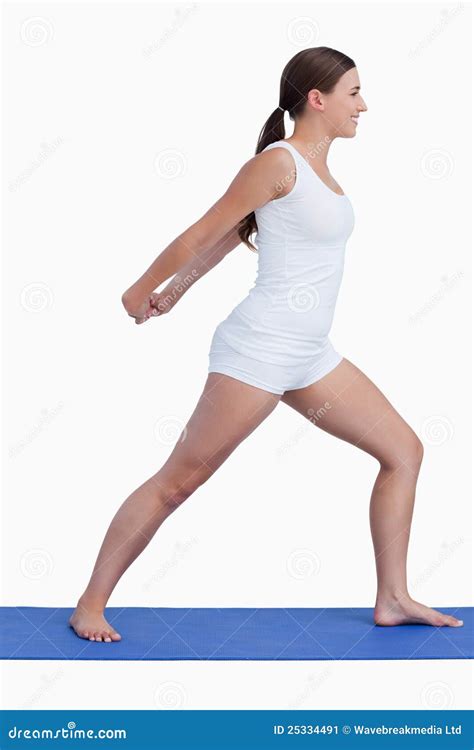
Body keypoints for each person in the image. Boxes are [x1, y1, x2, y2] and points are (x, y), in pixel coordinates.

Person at [69, 47, 463, 642]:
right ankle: (90, 605)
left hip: (310, 353)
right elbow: (203, 230)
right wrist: (142, 289)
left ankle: (392, 596)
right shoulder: (279, 162)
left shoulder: (316, 168)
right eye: (354, 93)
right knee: (179, 481)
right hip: (259, 349)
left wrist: (177, 292)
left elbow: (237, 235)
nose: (364, 105)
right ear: (317, 99)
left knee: (404, 451)